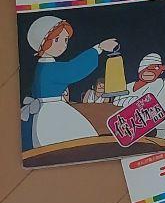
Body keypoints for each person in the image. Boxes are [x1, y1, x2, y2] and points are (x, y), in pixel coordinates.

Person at [21, 16, 117, 147]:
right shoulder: (50, 69)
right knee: (76, 143)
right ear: (43, 43)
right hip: (52, 111)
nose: (63, 45)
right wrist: (98, 48)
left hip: (45, 111)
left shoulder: (42, 66)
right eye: (57, 40)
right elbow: (74, 69)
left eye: (65, 40)